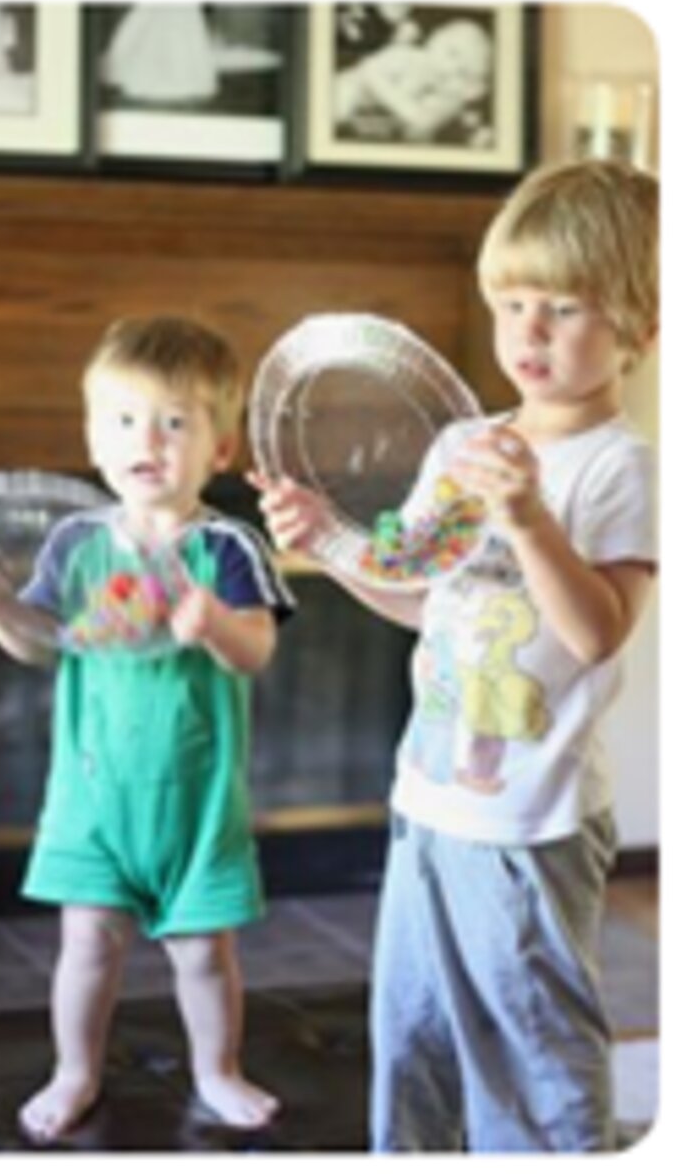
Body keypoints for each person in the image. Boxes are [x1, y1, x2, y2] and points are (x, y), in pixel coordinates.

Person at [251, 159, 658, 1152]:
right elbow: (419, 599)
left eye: (565, 307)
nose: (529, 331)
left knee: (530, 1040)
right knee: (414, 1030)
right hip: (427, 797)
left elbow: (597, 630)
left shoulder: (619, 467)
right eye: (513, 303)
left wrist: (526, 519)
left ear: (638, 331)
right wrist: (328, 545)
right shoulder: (460, 447)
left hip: (529, 823)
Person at [0, 316, 294, 1142]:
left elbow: (255, 651)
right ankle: (75, 1071)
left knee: (202, 953)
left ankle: (217, 1070)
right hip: (91, 797)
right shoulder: (76, 542)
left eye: (174, 422)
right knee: (88, 945)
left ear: (218, 448)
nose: (148, 440)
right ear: (94, 440)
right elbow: (43, 644)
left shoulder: (228, 546)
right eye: (125, 419)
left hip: (196, 804)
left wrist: (214, 623)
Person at [335, 16, 492, 145]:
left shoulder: (443, 98)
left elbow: (417, 131)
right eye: (452, 53)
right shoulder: (408, 57)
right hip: (352, 91)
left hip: (367, 123)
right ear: (434, 39)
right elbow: (369, 71)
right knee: (344, 94)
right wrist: (407, 109)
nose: (449, 69)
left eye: (462, 73)